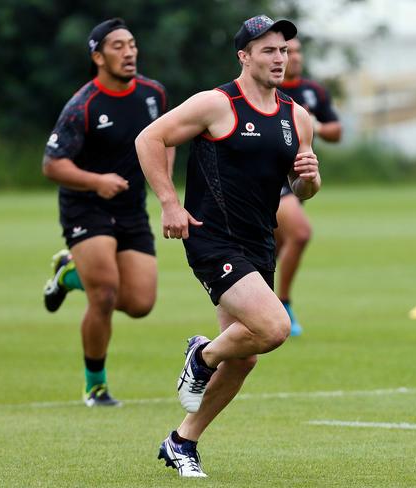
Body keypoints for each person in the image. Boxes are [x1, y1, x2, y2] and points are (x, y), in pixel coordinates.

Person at [135, 15, 320, 478]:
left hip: (260, 242)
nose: (279, 58)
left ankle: (181, 441)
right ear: (244, 56)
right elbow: (150, 138)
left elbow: (299, 190)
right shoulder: (216, 104)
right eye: (268, 50)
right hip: (212, 238)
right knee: (274, 326)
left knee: (247, 356)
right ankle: (202, 355)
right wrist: (169, 203)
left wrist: (310, 181)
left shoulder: (297, 116)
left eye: (283, 50)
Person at [42, 18, 172, 406]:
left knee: (140, 303)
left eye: (132, 44)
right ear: (98, 56)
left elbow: (167, 137)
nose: (129, 51)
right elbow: (52, 164)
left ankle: (70, 274)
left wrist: (162, 182)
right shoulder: (83, 105)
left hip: (131, 209)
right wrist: (96, 181)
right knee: (104, 294)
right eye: (117, 46)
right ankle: (95, 385)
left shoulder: (154, 94)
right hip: (86, 206)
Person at [276, 36, 342, 336]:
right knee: (300, 234)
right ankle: (283, 304)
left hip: (298, 177)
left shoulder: (312, 91)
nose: (295, 57)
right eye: (288, 51)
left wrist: (314, 126)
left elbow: (336, 130)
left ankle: (257, 306)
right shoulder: (265, 89)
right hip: (271, 178)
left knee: (274, 246)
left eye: (298, 51)